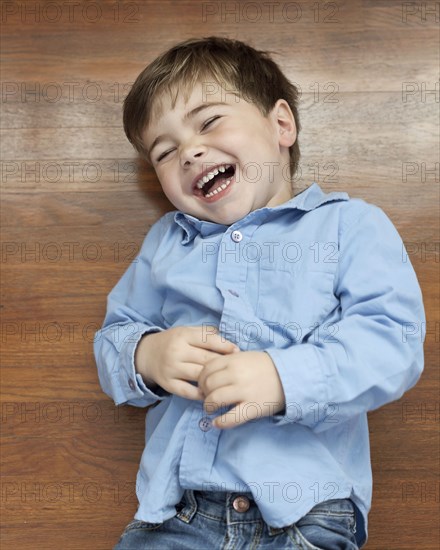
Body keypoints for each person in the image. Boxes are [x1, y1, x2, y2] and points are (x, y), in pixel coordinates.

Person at [94, 37, 425, 549]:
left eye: (208, 122)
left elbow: (392, 344)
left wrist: (282, 377)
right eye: (165, 151)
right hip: (174, 514)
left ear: (281, 126)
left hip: (306, 514)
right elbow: (112, 337)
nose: (190, 151)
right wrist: (145, 355)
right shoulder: (166, 243)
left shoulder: (349, 226)